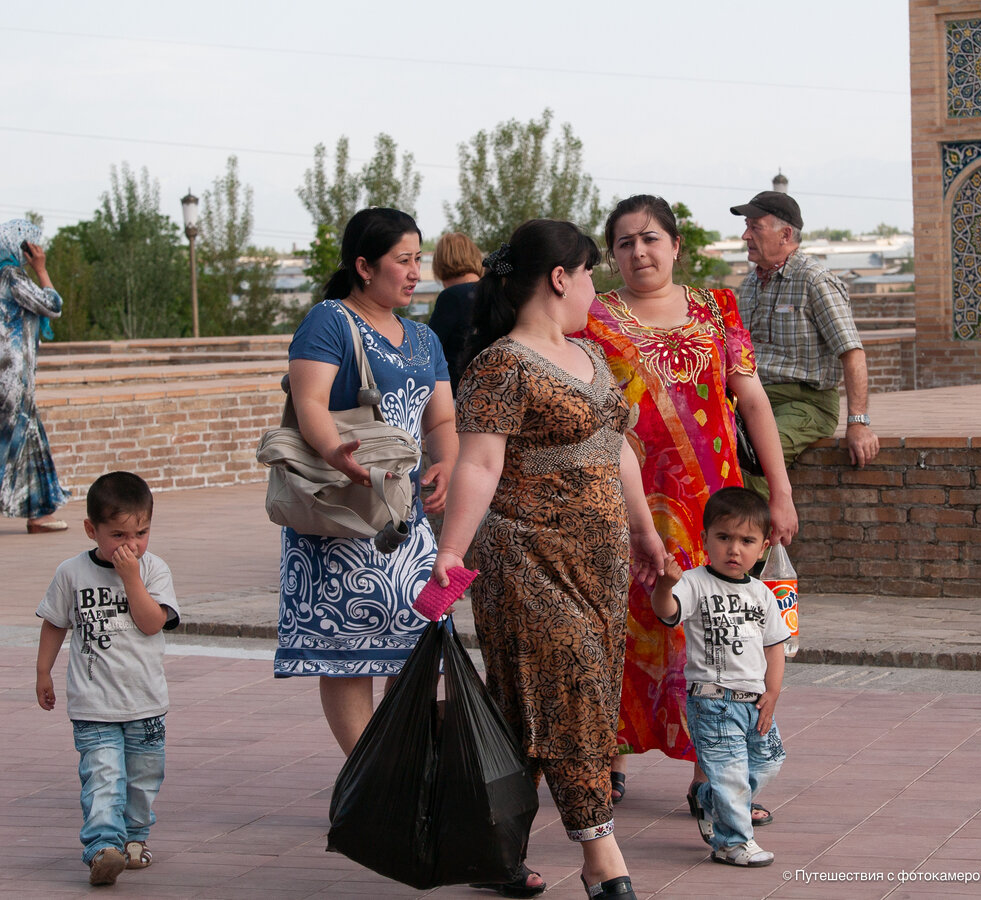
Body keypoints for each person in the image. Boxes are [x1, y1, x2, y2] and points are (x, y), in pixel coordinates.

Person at [431, 218, 667, 900]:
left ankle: (490, 849)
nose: (597, 287)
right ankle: (603, 857)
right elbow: (478, 464)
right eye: (591, 272)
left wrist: (646, 533)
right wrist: (451, 550)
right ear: (560, 277)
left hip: (599, 563)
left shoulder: (589, 359)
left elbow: (617, 449)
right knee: (571, 696)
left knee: (521, 707)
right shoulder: (500, 364)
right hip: (525, 559)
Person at [580, 195, 796, 821]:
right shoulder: (591, 320)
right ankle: (609, 758)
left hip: (715, 511)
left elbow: (752, 403)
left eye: (650, 239)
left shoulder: (715, 308)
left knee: (720, 640)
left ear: (676, 245)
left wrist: (777, 494)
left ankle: (716, 773)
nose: (639, 252)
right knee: (624, 631)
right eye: (624, 243)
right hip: (628, 509)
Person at [274, 208, 458, 756]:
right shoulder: (330, 320)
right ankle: (367, 776)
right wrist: (337, 450)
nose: (413, 271)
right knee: (348, 654)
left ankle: (402, 765)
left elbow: (442, 418)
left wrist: (445, 460)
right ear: (363, 266)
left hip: (408, 520)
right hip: (343, 510)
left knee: (418, 644)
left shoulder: (424, 338)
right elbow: (308, 401)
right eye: (402, 260)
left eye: (417, 259)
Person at [35, 471, 180, 886]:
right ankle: (102, 848)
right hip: (93, 704)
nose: (131, 545)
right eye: (118, 534)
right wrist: (43, 671)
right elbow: (54, 623)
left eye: (141, 532)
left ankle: (134, 840)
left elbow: (153, 623)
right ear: (90, 530)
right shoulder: (71, 573)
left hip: (146, 703)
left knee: (143, 778)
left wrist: (132, 579)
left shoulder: (153, 571)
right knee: (102, 776)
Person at [649, 487, 787, 868]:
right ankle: (732, 842)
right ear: (706, 538)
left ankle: (710, 799)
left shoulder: (762, 594)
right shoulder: (694, 583)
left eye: (747, 541)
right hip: (713, 701)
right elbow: (668, 612)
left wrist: (772, 693)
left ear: (762, 548)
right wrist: (664, 585)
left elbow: (775, 647)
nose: (734, 549)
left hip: (754, 701)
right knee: (731, 773)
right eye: (724, 538)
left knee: (769, 761)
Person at [730, 191, 880, 484]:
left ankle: (758, 531)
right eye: (746, 226)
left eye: (755, 227)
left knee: (755, 461)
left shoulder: (815, 281)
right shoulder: (749, 285)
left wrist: (858, 422)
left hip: (806, 403)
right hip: (753, 398)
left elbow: (852, 354)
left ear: (785, 234)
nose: (745, 235)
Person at [0, 219, 70, 532]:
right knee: (17, 440)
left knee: (28, 440)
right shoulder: (12, 277)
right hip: (11, 377)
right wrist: (41, 270)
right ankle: (39, 513)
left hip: (11, 376)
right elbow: (52, 305)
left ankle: (40, 513)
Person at [427, 231, 484, 395]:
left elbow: (429, 349)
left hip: (458, 393)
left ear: (440, 262)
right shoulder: (494, 291)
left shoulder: (452, 296)